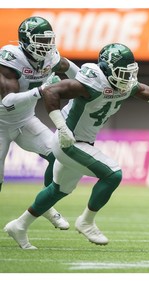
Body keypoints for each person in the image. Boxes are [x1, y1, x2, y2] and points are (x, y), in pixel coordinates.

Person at [4, 42, 149, 249]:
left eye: (130, 73)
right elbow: (50, 92)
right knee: (113, 174)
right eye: (122, 73)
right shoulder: (92, 82)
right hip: (70, 142)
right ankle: (86, 221)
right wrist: (62, 128)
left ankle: (19, 226)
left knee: (58, 190)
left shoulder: (125, 86)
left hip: (81, 142)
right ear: (107, 69)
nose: (127, 79)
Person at [0, 16, 79, 230]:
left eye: (48, 40)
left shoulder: (50, 57)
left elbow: (71, 69)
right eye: (40, 41)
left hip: (25, 120)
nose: (46, 46)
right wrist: (40, 90)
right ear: (26, 41)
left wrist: (86, 86)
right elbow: (7, 101)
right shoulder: (10, 58)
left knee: (60, 156)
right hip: (0, 124)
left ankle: (44, 205)